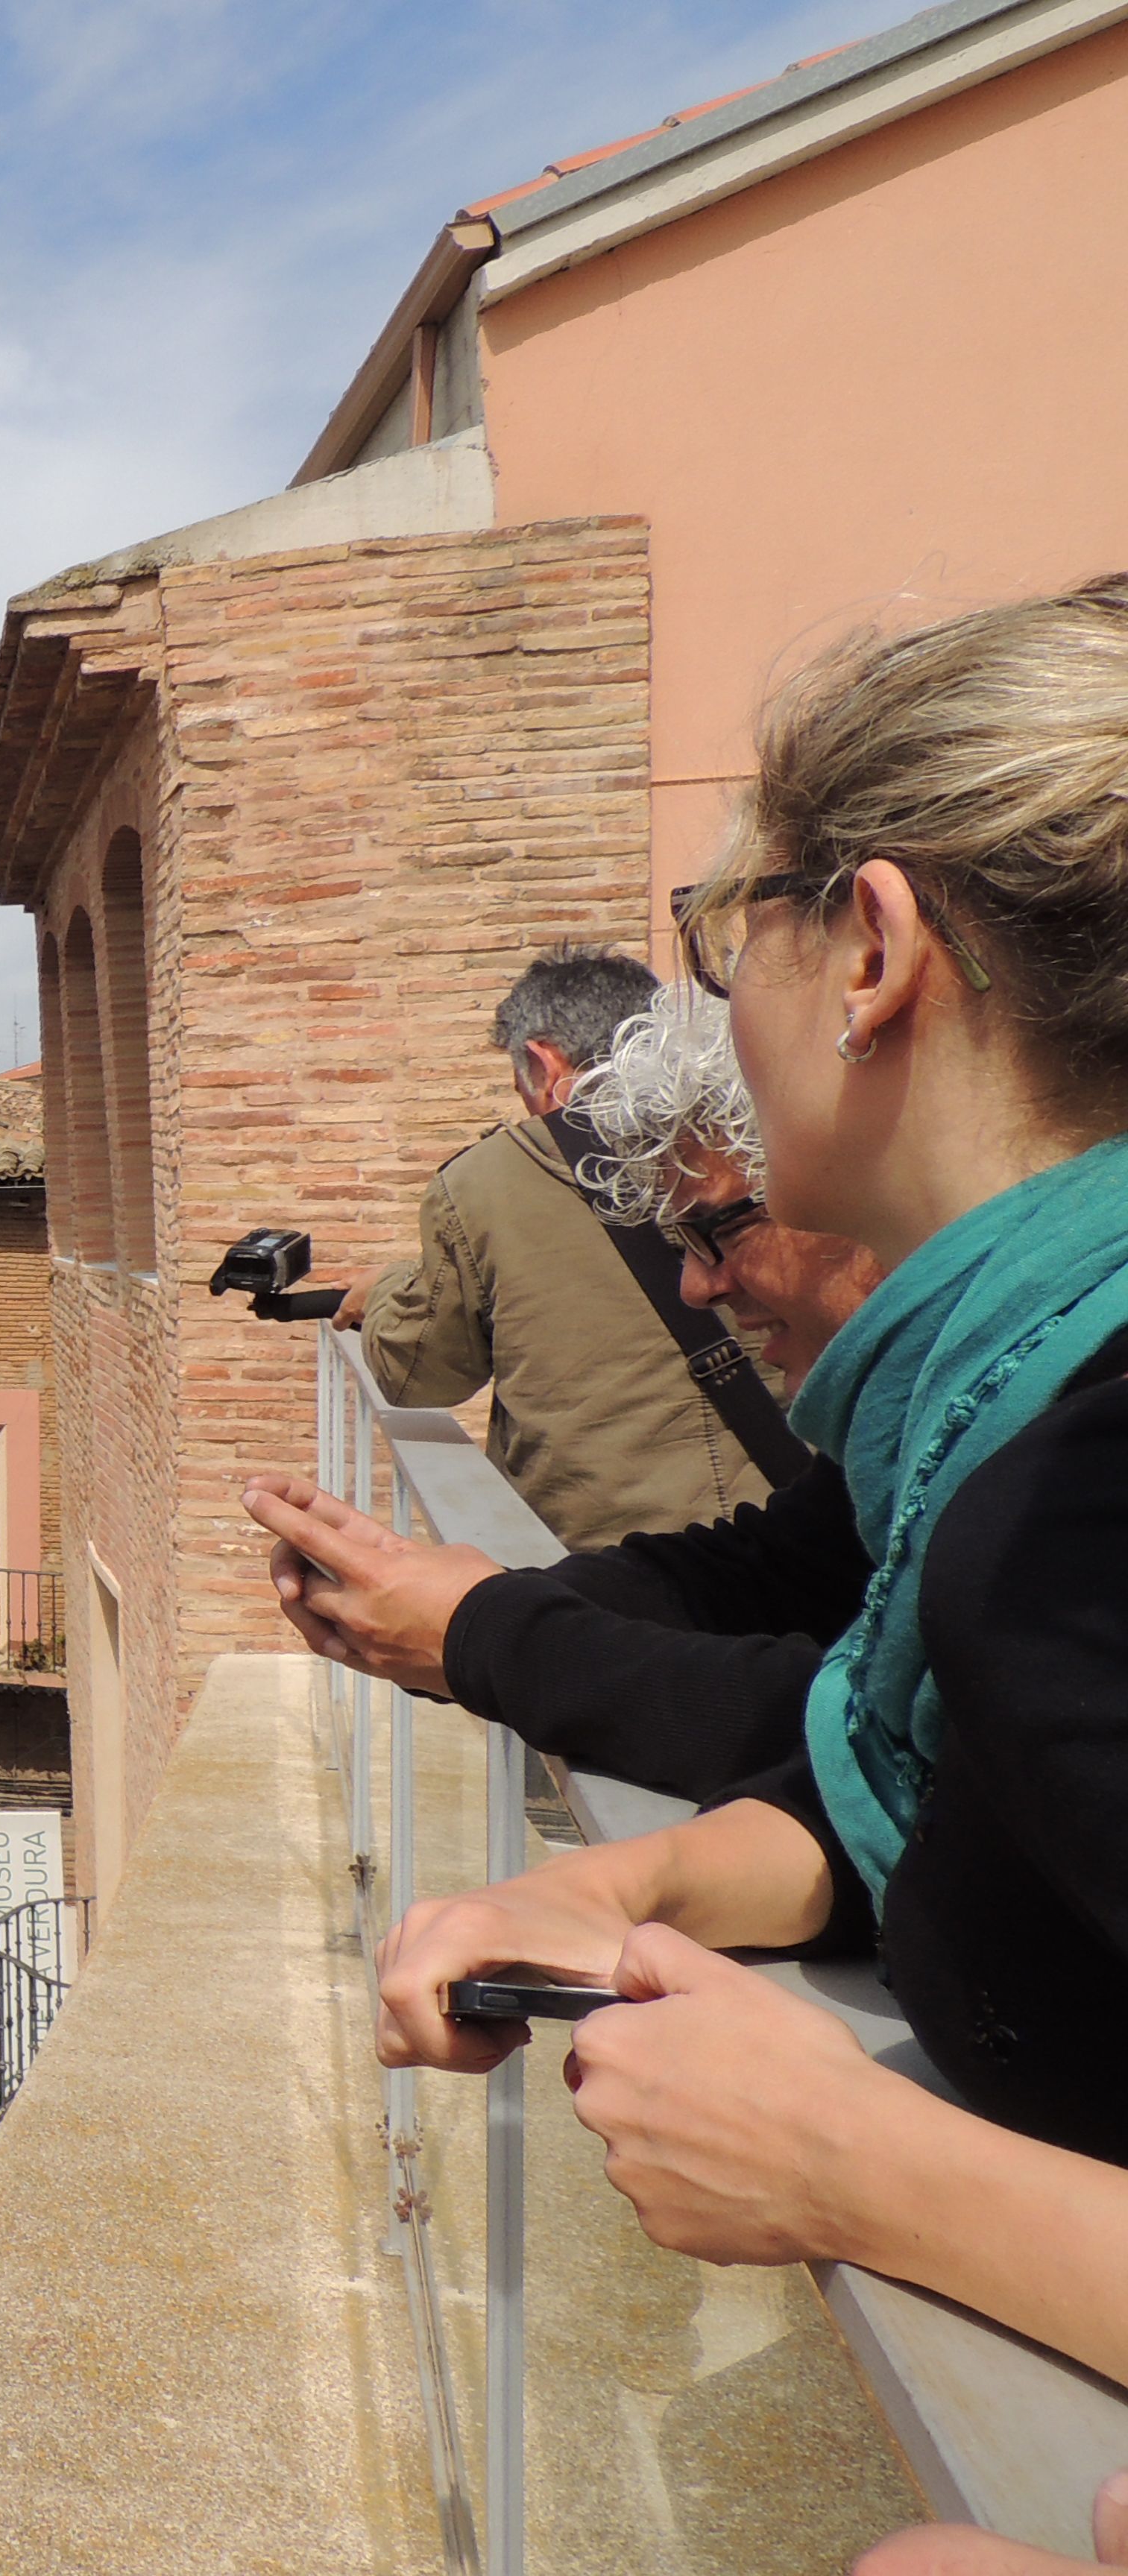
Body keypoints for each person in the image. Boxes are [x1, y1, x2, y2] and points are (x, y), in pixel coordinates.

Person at [373, 581, 1128, 2432]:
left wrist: (857, 2172)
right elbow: (936, 1791)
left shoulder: (1073, 1502)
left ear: (868, 949)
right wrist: (628, 1873)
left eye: (727, 944)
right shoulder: (1004, 1422)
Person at [245, 983, 884, 1796]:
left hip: (597, 1581)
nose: (697, 1284)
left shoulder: (1046, 1437)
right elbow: (773, 1561)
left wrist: (478, 1630)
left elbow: (881, 1733)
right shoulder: (910, 1437)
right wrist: (456, 1607)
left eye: (718, 1229)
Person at [350, 946, 787, 1551]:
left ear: (544, 1062)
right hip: (792, 1533)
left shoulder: (486, 1181)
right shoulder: (755, 1129)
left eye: (519, 1084)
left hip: (608, 1568)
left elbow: (416, 1375)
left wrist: (384, 1295)